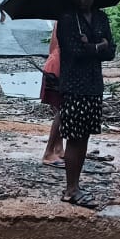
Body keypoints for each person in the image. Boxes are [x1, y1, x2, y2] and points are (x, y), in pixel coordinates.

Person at [57, 0, 116, 209]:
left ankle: (75, 185)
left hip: (93, 85)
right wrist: (99, 45)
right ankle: (71, 188)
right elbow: (75, 52)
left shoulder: (101, 17)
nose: (84, 0)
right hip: (73, 85)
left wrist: (93, 46)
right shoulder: (67, 19)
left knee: (84, 137)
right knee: (74, 137)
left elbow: (111, 51)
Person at [40, 22, 65, 167]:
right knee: (63, 109)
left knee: (60, 108)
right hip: (60, 66)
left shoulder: (59, 19)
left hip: (53, 63)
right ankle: (49, 152)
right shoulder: (70, 19)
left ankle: (58, 148)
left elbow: (52, 46)